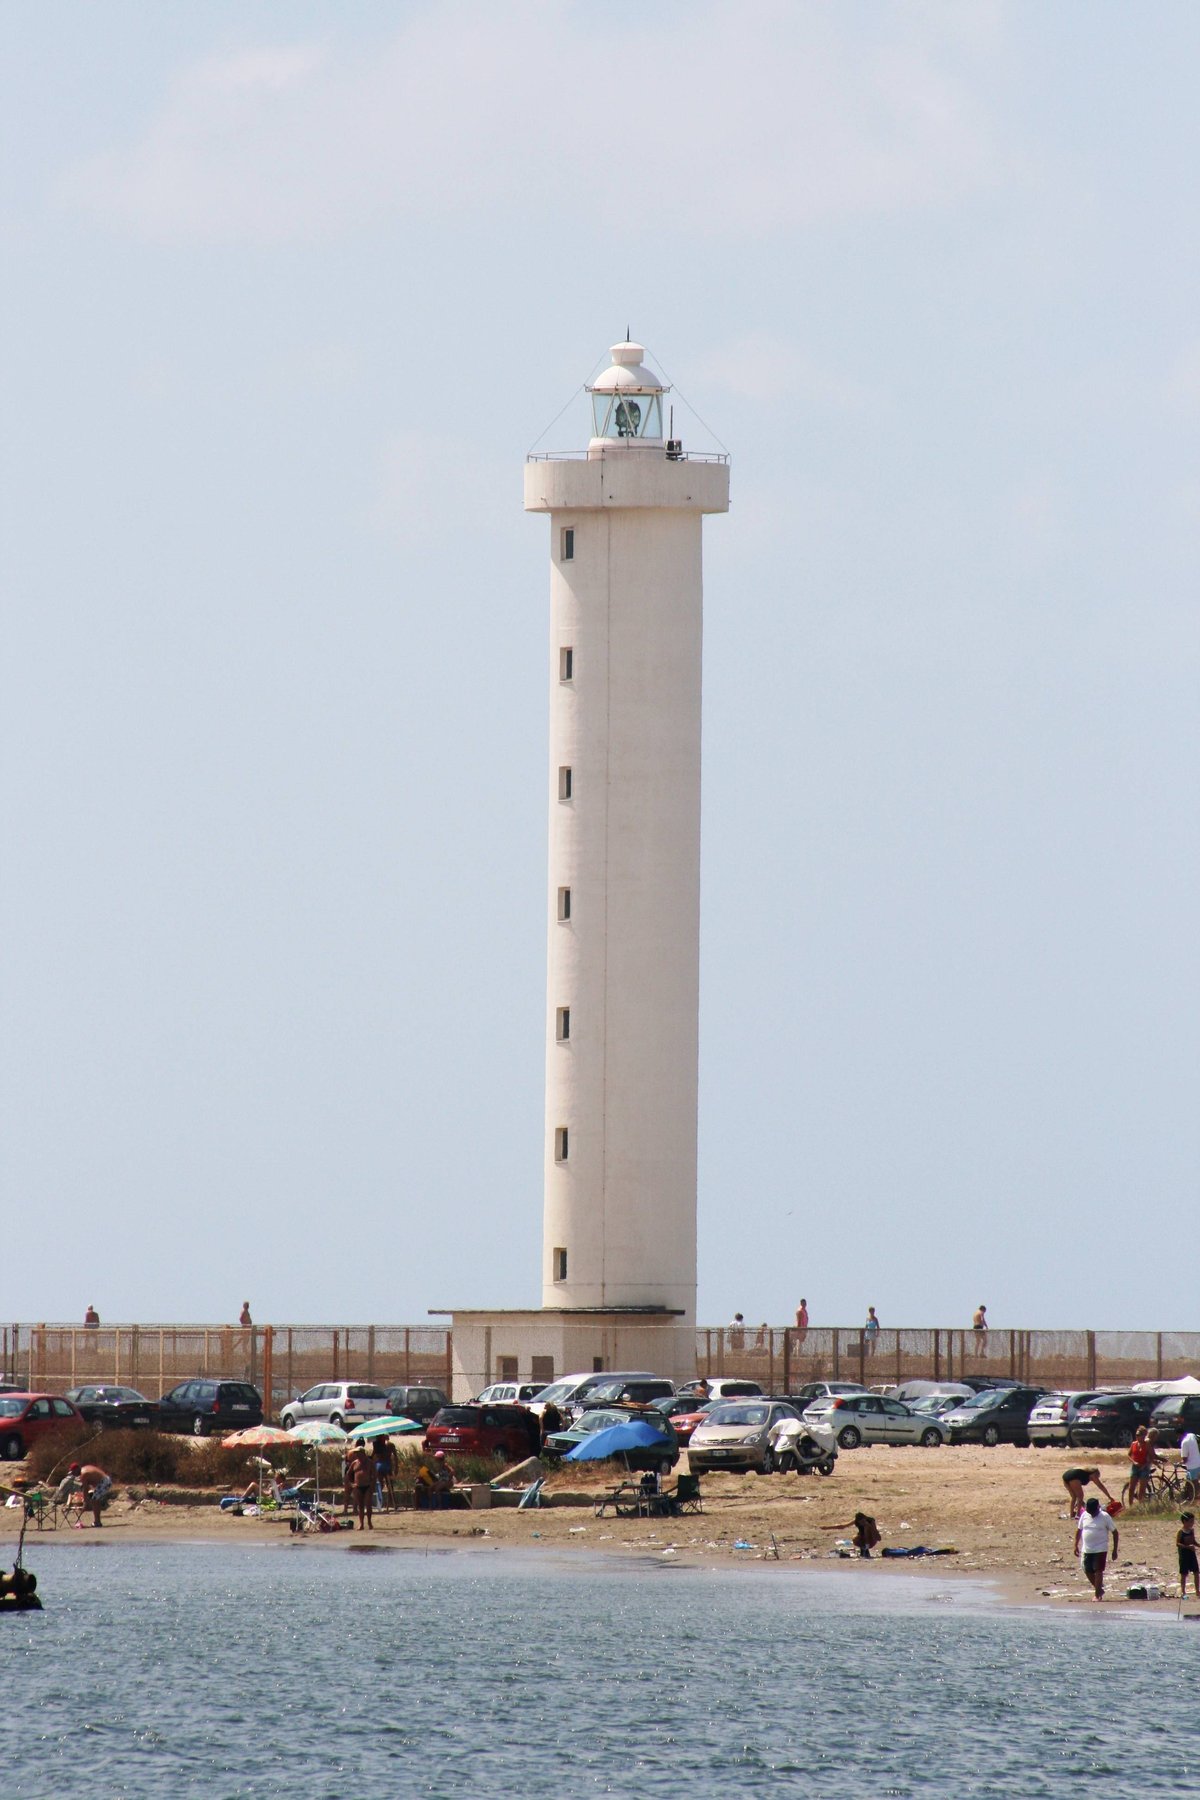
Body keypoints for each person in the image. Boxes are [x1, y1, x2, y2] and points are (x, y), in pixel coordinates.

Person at [1075, 1495, 1118, 1600]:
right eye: (1090, 1512)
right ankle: (1099, 1589)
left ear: (1098, 1508)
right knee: (1087, 1570)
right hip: (1087, 1548)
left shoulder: (1105, 1516)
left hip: (1100, 1548)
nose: (1092, 1514)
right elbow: (1079, 1530)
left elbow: (1115, 1533)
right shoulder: (1084, 1515)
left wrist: (1114, 1550)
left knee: (1098, 1570)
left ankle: (1097, 1595)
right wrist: (1075, 1545)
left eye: (1093, 1512)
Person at [345, 1444, 374, 1530]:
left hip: (367, 1486)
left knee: (368, 1505)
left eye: (358, 1453)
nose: (356, 1455)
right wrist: (351, 1484)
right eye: (356, 1453)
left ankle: (369, 1522)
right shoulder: (354, 1463)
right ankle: (361, 1523)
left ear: (363, 1453)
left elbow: (374, 1474)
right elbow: (348, 1474)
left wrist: (372, 1485)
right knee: (360, 1505)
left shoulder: (370, 1462)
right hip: (358, 1486)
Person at [75, 1463, 113, 1528]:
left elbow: (85, 1489)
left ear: (77, 1470)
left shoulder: (83, 1474)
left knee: (94, 1500)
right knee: (95, 1500)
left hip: (104, 1482)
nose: (74, 1474)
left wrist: (85, 1501)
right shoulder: (85, 1468)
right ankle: (97, 1520)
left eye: (73, 1472)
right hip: (105, 1480)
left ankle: (97, 1522)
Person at [1178, 1512, 1200, 1599]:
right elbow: (1178, 1543)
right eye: (1190, 1521)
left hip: (1192, 1554)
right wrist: (1187, 1547)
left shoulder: (1192, 1531)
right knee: (1184, 1574)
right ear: (1184, 1521)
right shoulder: (1180, 1532)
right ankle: (1183, 1592)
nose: (1192, 1523)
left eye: (1193, 1521)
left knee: (1196, 1572)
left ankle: (1197, 1591)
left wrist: (1198, 1545)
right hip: (1184, 1555)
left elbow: (1193, 1541)